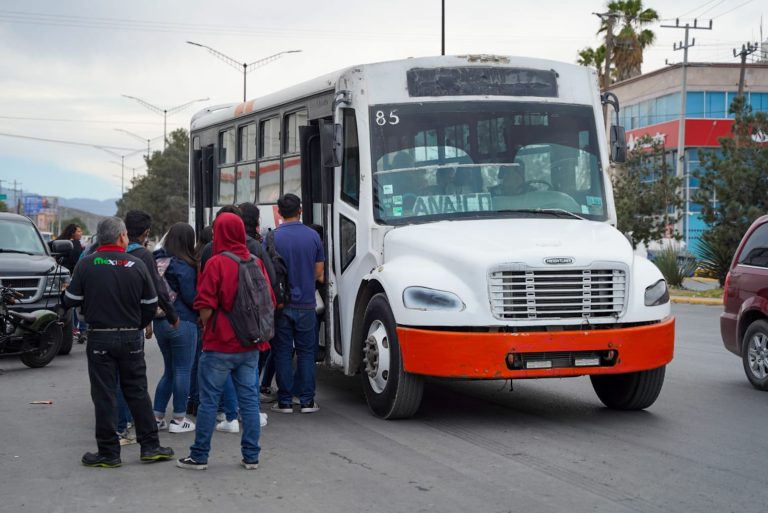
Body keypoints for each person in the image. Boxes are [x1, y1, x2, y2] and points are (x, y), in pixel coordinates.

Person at [62, 217, 174, 468]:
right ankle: (151, 447)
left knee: (104, 394)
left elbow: (69, 300)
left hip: (100, 335)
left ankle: (108, 453)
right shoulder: (137, 264)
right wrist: (136, 324)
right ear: (122, 237)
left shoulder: (87, 264)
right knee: (137, 391)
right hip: (131, 337)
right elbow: (150, 305)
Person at [177, 212, 274, 470]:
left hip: (220, 344)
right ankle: (251, 456)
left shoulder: (217, 263)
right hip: (250, 344)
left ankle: (199, 456)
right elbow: (269, 300)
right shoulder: (255, 261)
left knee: (209, 401)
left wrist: (208, 325)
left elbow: (205, 305)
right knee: (249, 402)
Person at [270, 193, 325, 414]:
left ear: (279, 212)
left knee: (283, 352)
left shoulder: (272, 237)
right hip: (306, 304)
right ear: (300, 210)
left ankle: (284, 401)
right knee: (306, 353)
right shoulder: (313, 236)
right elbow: (319, 273)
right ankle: (307, 401)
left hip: (281, 306)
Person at [152, 223, 199, 434]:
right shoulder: (184, 266)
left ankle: (158, 416)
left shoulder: (157, 261)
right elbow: (191, 297)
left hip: (160, 321)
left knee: (169, 370)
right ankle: (179, 419)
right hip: (183, 321)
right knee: (183, 370)